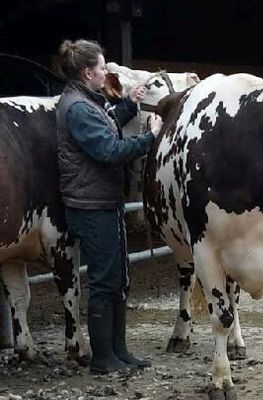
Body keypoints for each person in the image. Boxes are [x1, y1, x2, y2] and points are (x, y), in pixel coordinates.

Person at [56, 39, 163, 374]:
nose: (107, 72)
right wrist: (149, 138)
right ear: (89, 72)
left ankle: (119, 352)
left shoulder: (86, 102)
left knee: (116, 278)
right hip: (90, 206)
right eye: (103, 67)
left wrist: (130, 105)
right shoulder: (77, 108)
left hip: (102, 201)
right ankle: (104, 359)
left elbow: (107, 124)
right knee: (104, 281)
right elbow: (108, 150)